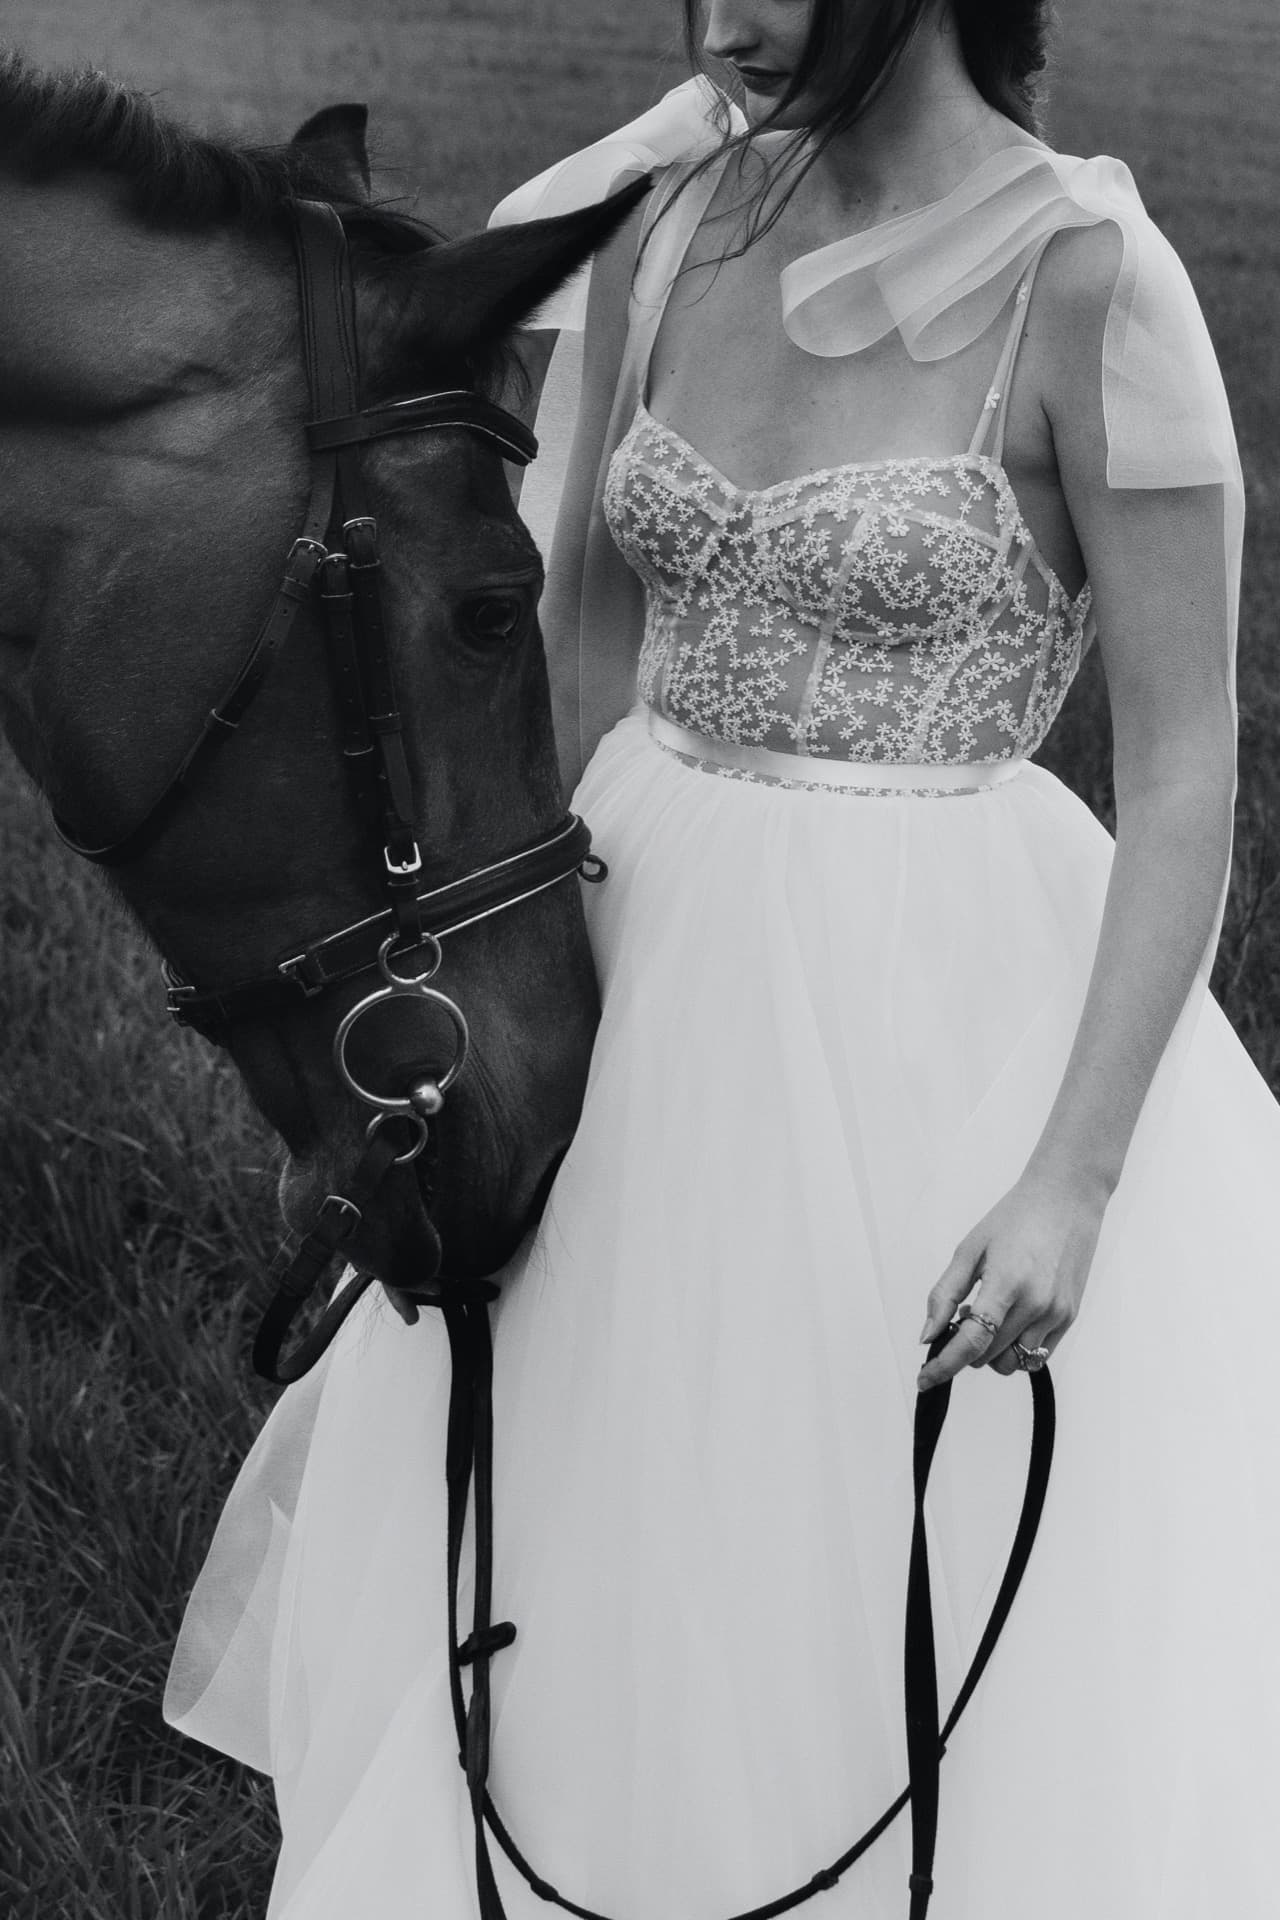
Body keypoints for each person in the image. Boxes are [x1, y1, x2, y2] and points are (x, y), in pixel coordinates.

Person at [166, 3, 1280, 1915]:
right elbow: (581, 645)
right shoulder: (680, 223)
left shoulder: (1092, 277)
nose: (726, 20)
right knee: (595, 1493)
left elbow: (1184, 777)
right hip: (649, 912)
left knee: (850, 1529)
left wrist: (1074, 1183)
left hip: (940, 992)